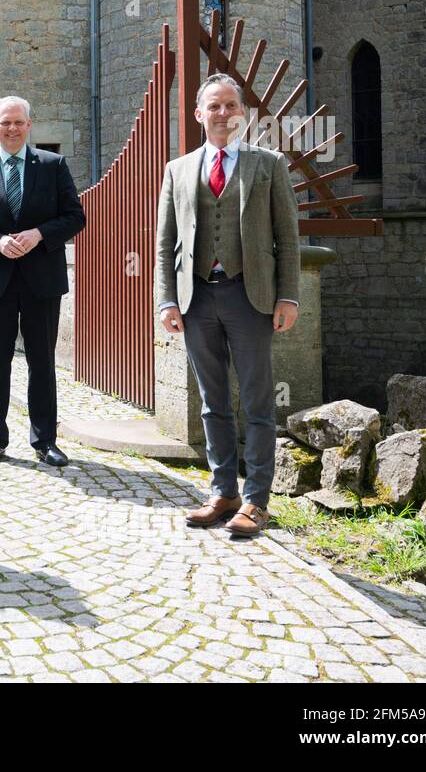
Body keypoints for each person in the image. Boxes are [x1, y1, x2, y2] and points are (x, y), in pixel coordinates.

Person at [155, 73, 301, 538]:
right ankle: (223, 492)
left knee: (258, 400)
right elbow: (164, 244)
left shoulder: (269, 164)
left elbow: (288, 237)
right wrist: (166, 300)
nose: (222, 114)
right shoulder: (178, 169)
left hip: (250, 295)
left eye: (230, 107)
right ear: (199, 114)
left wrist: (288, 295)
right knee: (212, 401)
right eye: (213, 107)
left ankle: (257, 500)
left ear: (242, 114)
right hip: (197, 297)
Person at [0, 96, 86, 468]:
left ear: (30, 125)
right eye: (4, 123)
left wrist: (40, 234)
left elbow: (75, 217)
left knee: (42, 363)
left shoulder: (53, 165)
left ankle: (45, 441)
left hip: (42, 280)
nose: (12, 129)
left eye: (18, 123)